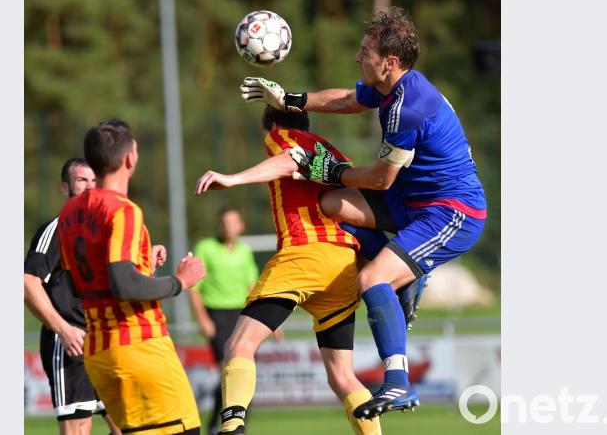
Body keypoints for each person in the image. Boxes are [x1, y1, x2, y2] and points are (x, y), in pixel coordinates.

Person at [240, 6, 487, 419]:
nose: (358, 58)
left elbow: (380, 180)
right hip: (413, 203)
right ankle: (404, 275)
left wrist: (334, 170)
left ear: (389, 62)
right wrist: (290, 99)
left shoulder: (408, 107)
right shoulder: (392, 88)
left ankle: (397, 384)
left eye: (364, 51)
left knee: (372, 279)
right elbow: (350, 99)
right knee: (331, 203)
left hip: (451, 213)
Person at [195, 106, 382, 435]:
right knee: (341, 376)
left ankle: (232, 427)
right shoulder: (335, 153)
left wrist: (232, 179)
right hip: (342, 265)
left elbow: (290, 159)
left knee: (239, 345)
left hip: (304, 254)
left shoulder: (283, 135)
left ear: (272, 125)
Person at [57, 119, 206, 435]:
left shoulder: (70, 213)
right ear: (130, 159)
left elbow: (77, 284)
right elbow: (123, 283)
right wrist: (180, 281)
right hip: (139, 347)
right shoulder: (124, 210)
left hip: (99, 354)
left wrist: (142, 271)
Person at [24, 158, 122, 435]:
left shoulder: (105, 228)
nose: (90, 187)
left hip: (105, 339)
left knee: (129, 425)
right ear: (65, 187)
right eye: (82, 181)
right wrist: (64, 329)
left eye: (94, 180)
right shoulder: (56, 229)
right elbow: (28, 282)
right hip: (71, 343)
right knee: (78, 428)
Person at [189, 207, 261, 434]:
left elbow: (252, 286)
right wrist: (202, 319)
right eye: (224, 222)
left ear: (241, 226)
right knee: (228, 372)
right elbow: (194, 288)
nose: (228, 226)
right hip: (217, 314)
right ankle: (217, 426)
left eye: (233, 222)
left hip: (243, 315)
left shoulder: (244, 251)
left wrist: (267, 319)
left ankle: (237, 428)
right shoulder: (205, 248)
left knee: (245, 373)